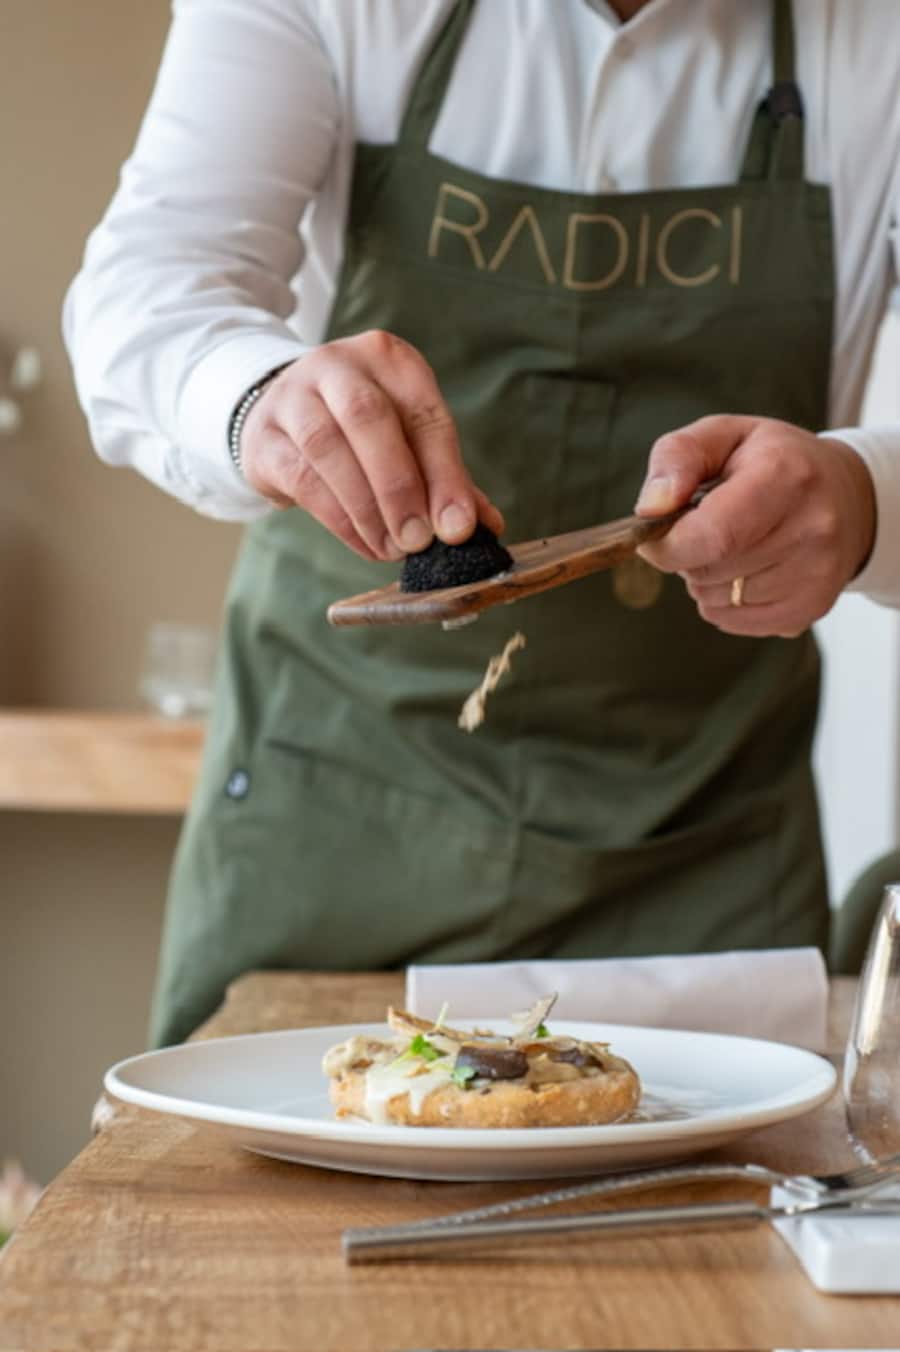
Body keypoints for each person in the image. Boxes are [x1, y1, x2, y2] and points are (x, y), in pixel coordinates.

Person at [65, 0, 900, 1047]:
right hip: (333, 817)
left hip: (700, 850)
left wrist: (869, 495)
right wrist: (263, 400)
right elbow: (147, 293)